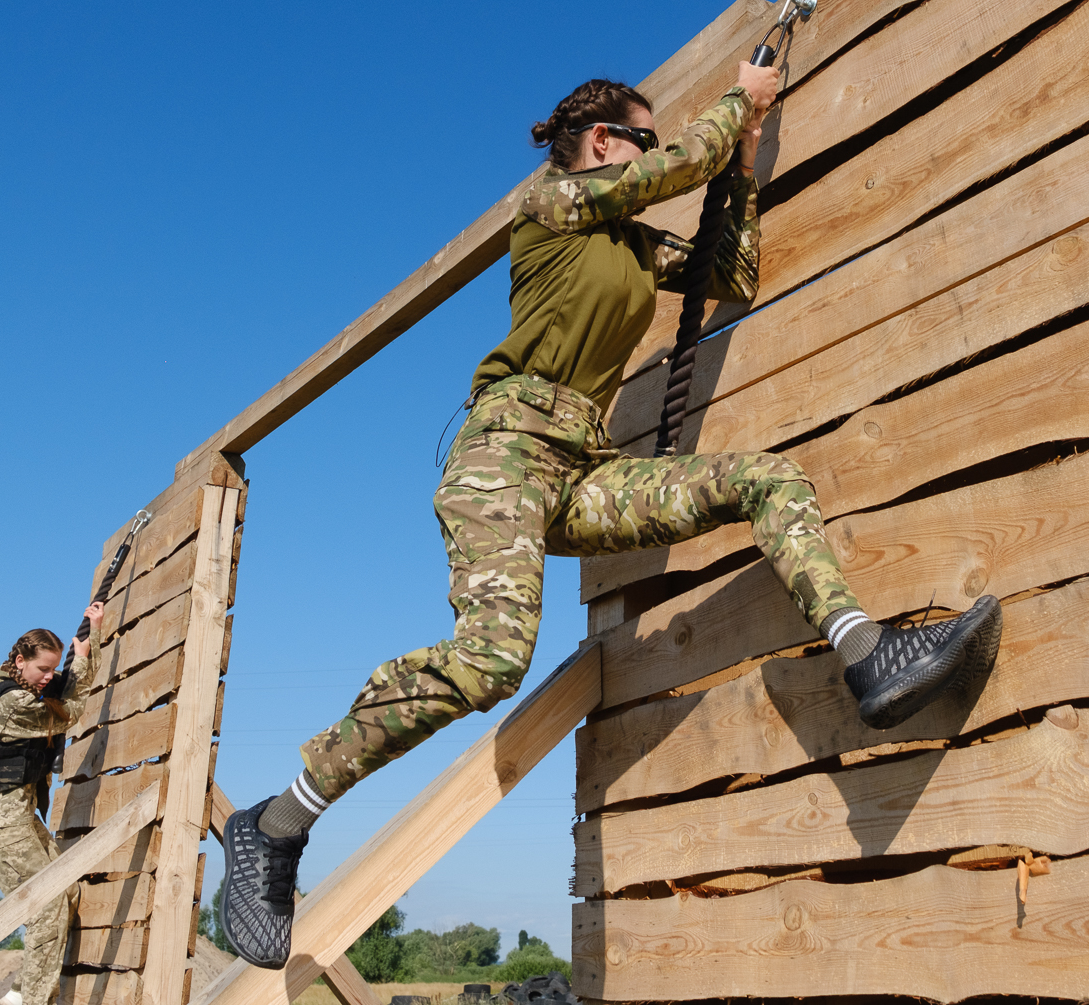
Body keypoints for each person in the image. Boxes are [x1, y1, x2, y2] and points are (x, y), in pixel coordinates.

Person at [219, 64, 1002, 968]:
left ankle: (869, 655)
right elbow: (681, 166)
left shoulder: (627, 241)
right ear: (602, 143)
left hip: (583, 465)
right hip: (503, 455)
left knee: (765, 479)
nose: (652, 150)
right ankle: (277, 823)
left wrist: (742, 165)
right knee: (491, 659)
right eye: (641, 136)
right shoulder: (552, 203)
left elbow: (730, 272)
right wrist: (736, 109)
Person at [0, 607, 103, 1005]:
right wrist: (83, 663)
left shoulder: (24, 686)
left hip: (19, 816)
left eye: (53, 668)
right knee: (46, 907)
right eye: (43, 668)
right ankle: (33, 1000)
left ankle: (23, 992)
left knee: (68, 893)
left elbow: (66, 687)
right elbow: (69, 713)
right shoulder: (9, 704)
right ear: (19, 661)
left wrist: (93, 637)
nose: (48, 677)